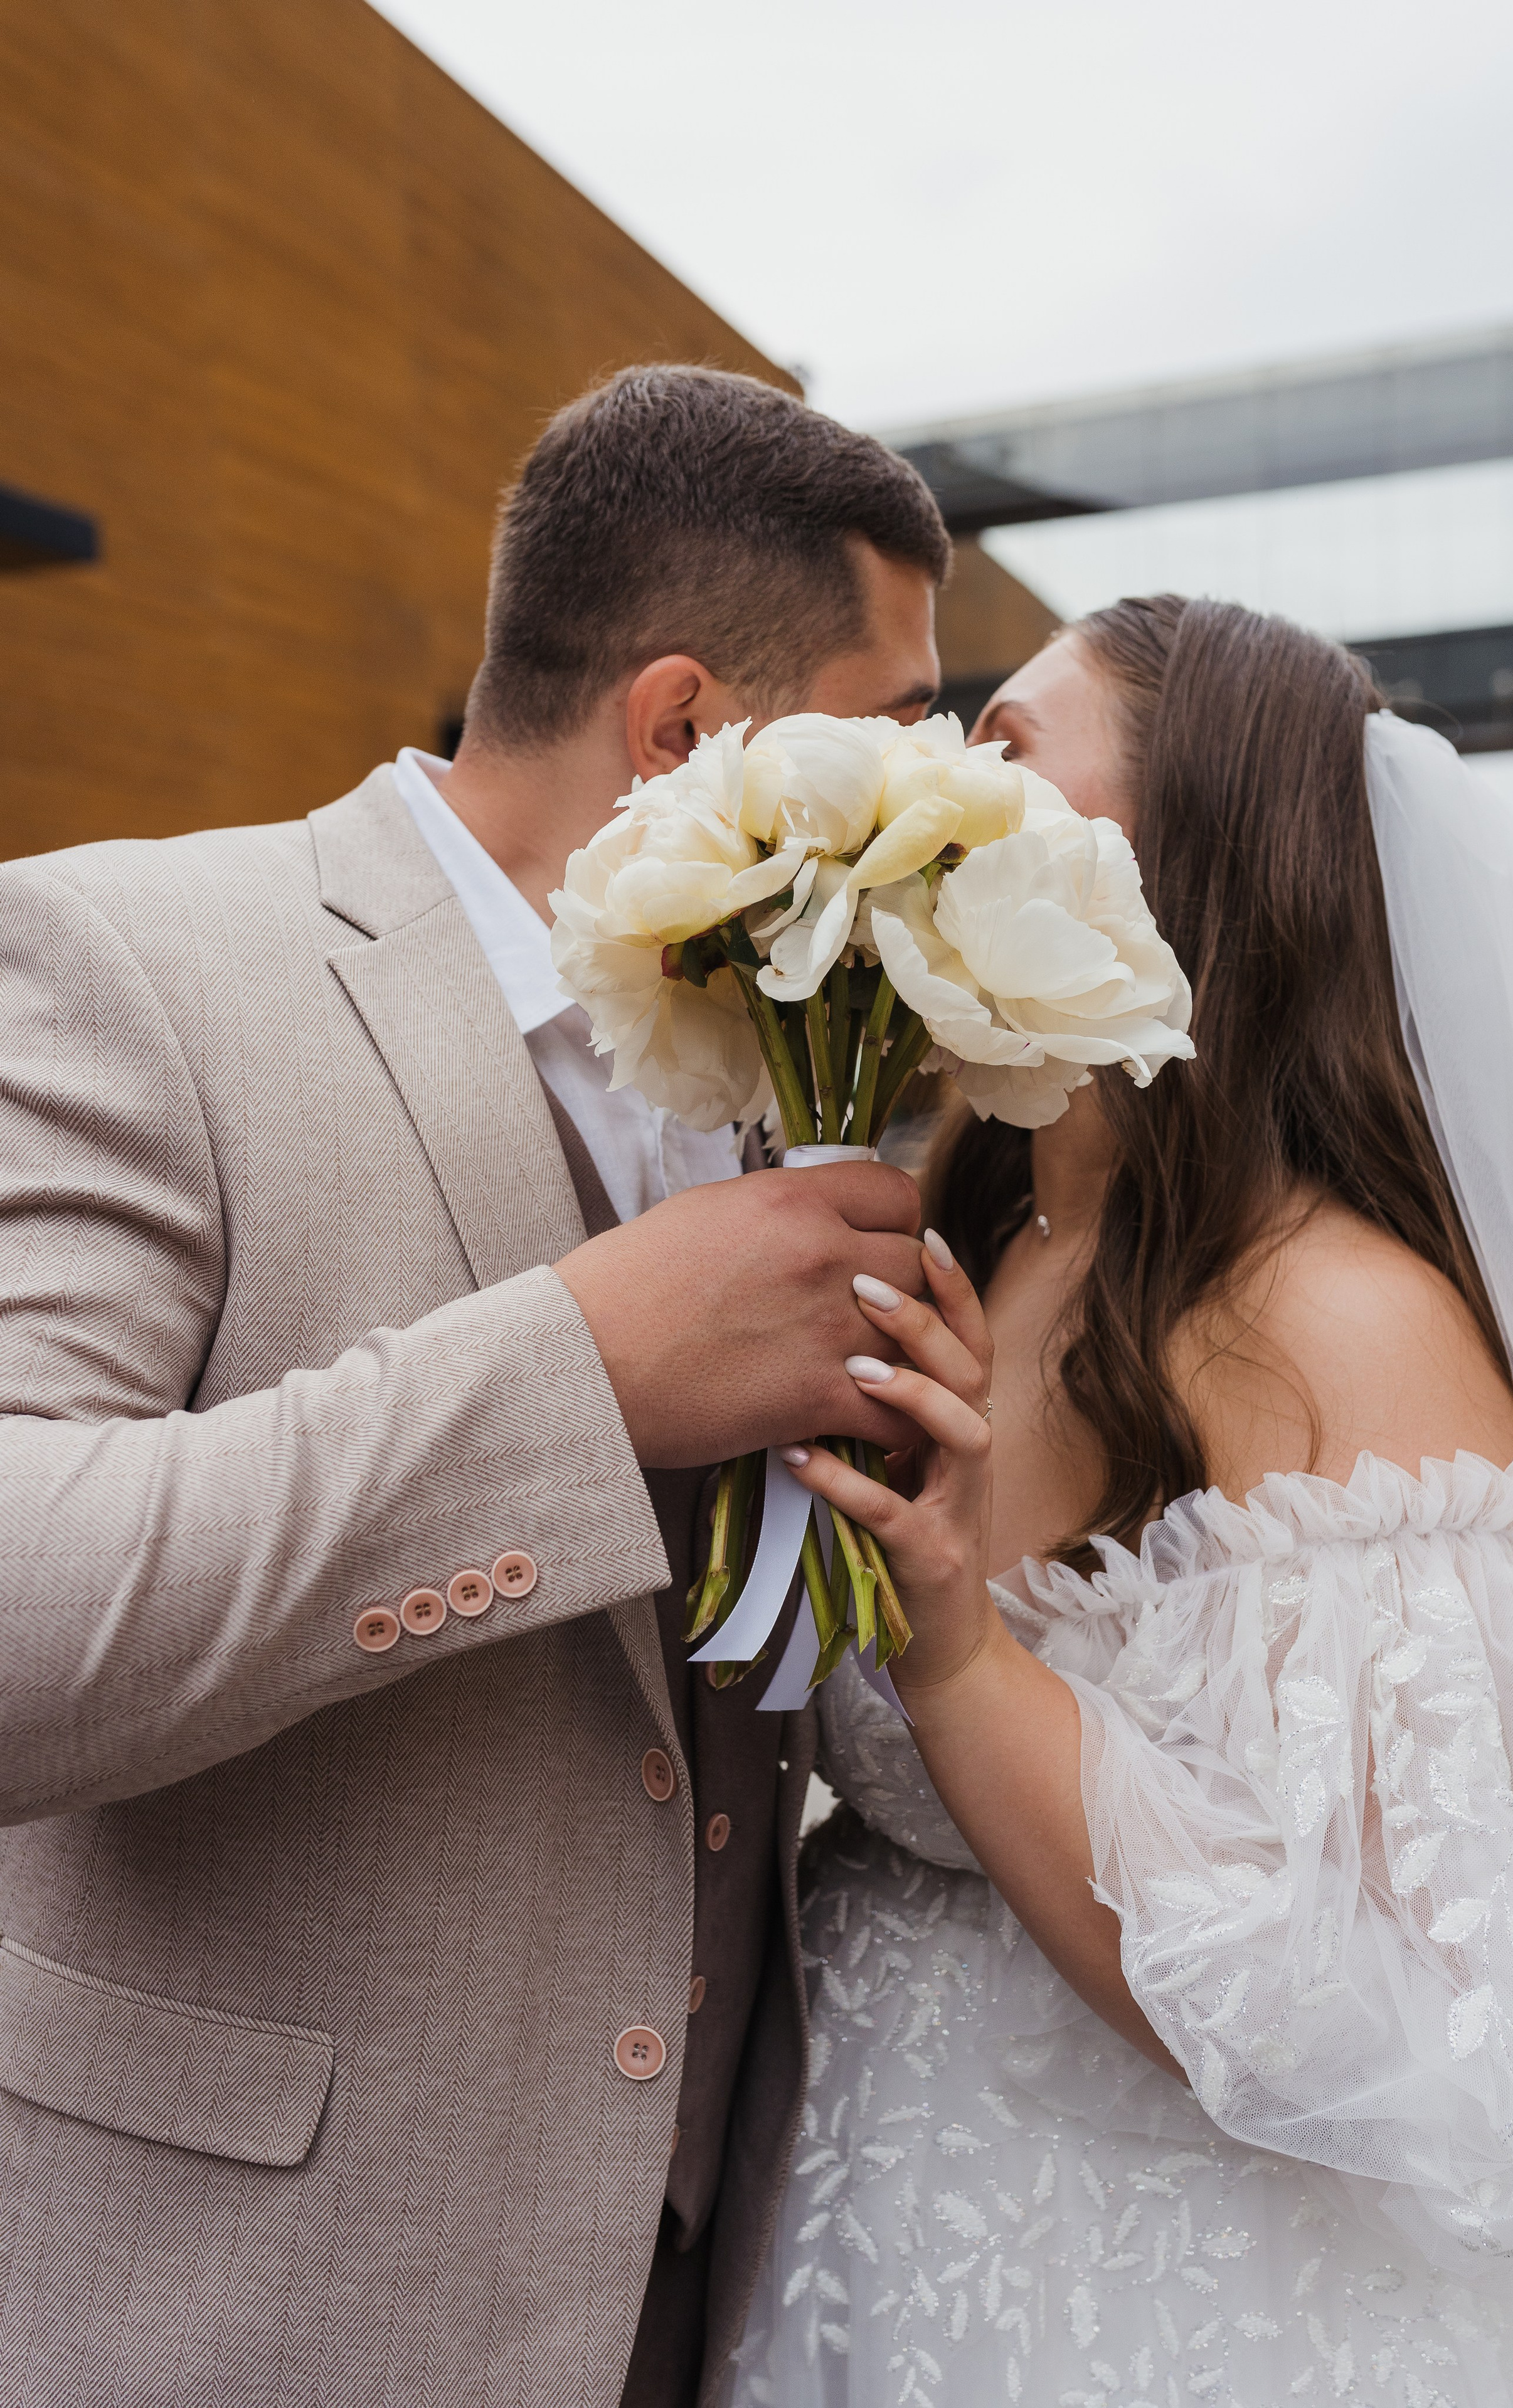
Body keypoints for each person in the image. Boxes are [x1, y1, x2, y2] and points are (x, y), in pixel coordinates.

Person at [0, 365, 950, 2408]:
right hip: (264, 2302)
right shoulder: (112, 956)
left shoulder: (808, 1050)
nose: (929, 798)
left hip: (703, 2293)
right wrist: (585, 1376)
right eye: (888, 733)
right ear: (691, 729)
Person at [733, 596, 1513, 2405]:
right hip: (850, 2222)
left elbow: (1439, 2046)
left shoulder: (1343, 1326)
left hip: (1158, 2308)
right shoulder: (980, 1235)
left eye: (1006, 755)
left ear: (1181, 857)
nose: (935, 793)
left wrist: (968, 1657)